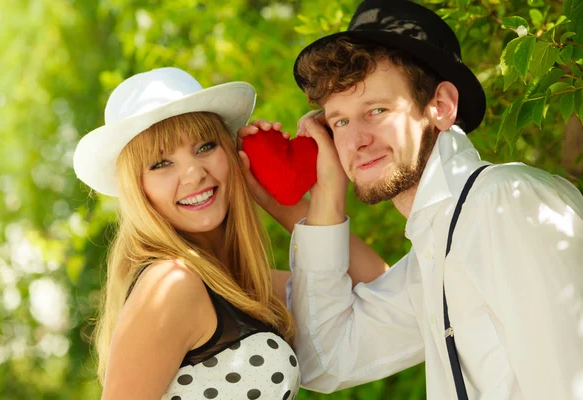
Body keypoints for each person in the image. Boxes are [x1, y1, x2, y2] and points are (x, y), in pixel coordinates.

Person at [244, 1, 583, 399]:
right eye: (339, 121)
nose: (356, 141)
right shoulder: (436, 247)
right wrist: (326, 196)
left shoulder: (506, 203)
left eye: (377, 110)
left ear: (440, 106)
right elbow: (327, 358)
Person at [73, 67, 385, 400]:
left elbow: (379, 293)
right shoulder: (172, 284)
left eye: (205, 147)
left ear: (229, 154)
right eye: (161, 163)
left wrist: (282, 199)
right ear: (138, 189)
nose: (193, 174)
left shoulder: (245, 289)